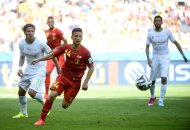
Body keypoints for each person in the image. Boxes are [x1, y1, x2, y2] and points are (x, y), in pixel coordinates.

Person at [32, 27, 94, 125]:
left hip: (75, 82)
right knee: (52, 95)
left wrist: (86, 82)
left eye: (80, 36)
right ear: (72, 37)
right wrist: (40, 59)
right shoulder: (66, 47)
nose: (78, 38)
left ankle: (67, 95)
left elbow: (91, 67)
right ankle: (42, 119)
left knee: (65, 105)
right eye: (76, 36)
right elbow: (52, 54)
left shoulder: (86, 52)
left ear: (82, 37)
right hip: (63, 77)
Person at [12, 23, 61, 118]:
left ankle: (45, 103)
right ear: (24, 32)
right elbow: (22, 57)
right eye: (28, 31)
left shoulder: (40, 43)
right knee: (21, 91)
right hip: (28, 70)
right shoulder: (21, 43)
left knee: (32, 93)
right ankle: (23, 113)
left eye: (32, 31)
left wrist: (58, 67)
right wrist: (20, 68)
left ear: (34, 32)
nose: (30, 33)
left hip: (39, 71)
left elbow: (52, 54)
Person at [145, 15, 188, 107]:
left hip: (165, 56)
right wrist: (148, 59)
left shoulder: (167, 32)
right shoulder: (150, 33)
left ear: (162, 22)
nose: (157, 22)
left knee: (164, 78)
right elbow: (147, 47)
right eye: (155, 21)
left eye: (159, 21)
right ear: (154, 22)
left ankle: (161, 99)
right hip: (155, 56)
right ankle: (153, 97)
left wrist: (183, 55)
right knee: (152, 80)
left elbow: (176, 43)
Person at [44, 16, 68, 99]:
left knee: (62, 74)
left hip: (59, 55)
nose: (50, 23)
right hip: (51, 55)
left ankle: (65, 92)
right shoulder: (46, 32)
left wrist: (58, 48)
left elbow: (65, 42)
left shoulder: (58, 31)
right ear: (47, 23)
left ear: (53, 23)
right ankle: (46, 93)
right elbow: (48, 42)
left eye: (51, 22)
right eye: (49, 22)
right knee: (47, 72)